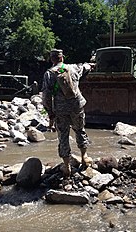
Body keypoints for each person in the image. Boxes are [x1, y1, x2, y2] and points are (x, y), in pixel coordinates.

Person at [42, 49, 94, 178]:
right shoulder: (73, 68)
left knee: (63, 136)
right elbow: (85, 67)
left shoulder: (49, 74)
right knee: (80, 130)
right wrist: (91, 64)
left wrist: (50, 112)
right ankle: (84, 157)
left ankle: (67, 166)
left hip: (60, 110)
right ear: (62, 58)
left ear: (52, 59)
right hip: (77, 106)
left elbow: (46, 96)